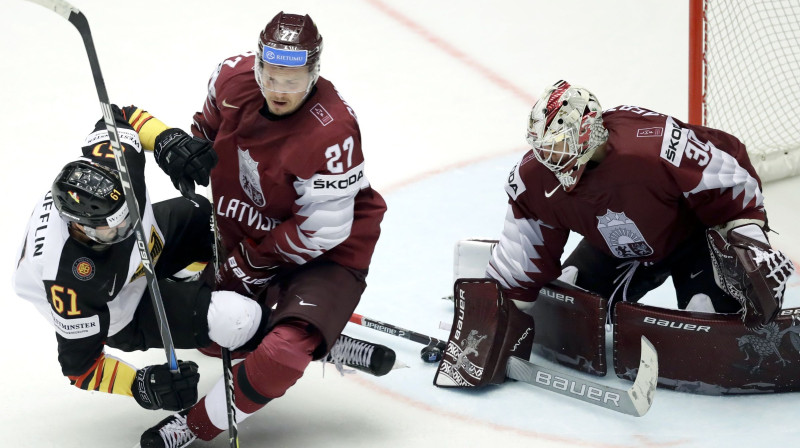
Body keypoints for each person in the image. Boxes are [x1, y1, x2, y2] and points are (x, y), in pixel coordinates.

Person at [139, 11, 387, 447]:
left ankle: (196, 423)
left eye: (292, 81)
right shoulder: (231, 79)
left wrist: (249, 265)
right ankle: (319, 335)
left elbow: (321, 232)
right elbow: (208, 128)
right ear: (257, 64)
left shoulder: (331, 132)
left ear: (313, 73)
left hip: (329, 254)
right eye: (270, 76)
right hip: (249, 229)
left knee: (282, 355)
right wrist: (190, 151)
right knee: (215, 341)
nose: (278, 90)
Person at [12, 105, 265, 414]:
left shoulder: (117, 162)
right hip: (125, 307)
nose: (124, 231)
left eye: (128, 217)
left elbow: (121, 116)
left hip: (149, 248)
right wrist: (141, 385)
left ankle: (189, 280)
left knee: (213, 218)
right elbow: (81, 369)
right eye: (112, 231)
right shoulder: (68, 283)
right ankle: (298, 337)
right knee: (236, 317)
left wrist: (166, 140)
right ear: (78, 226)